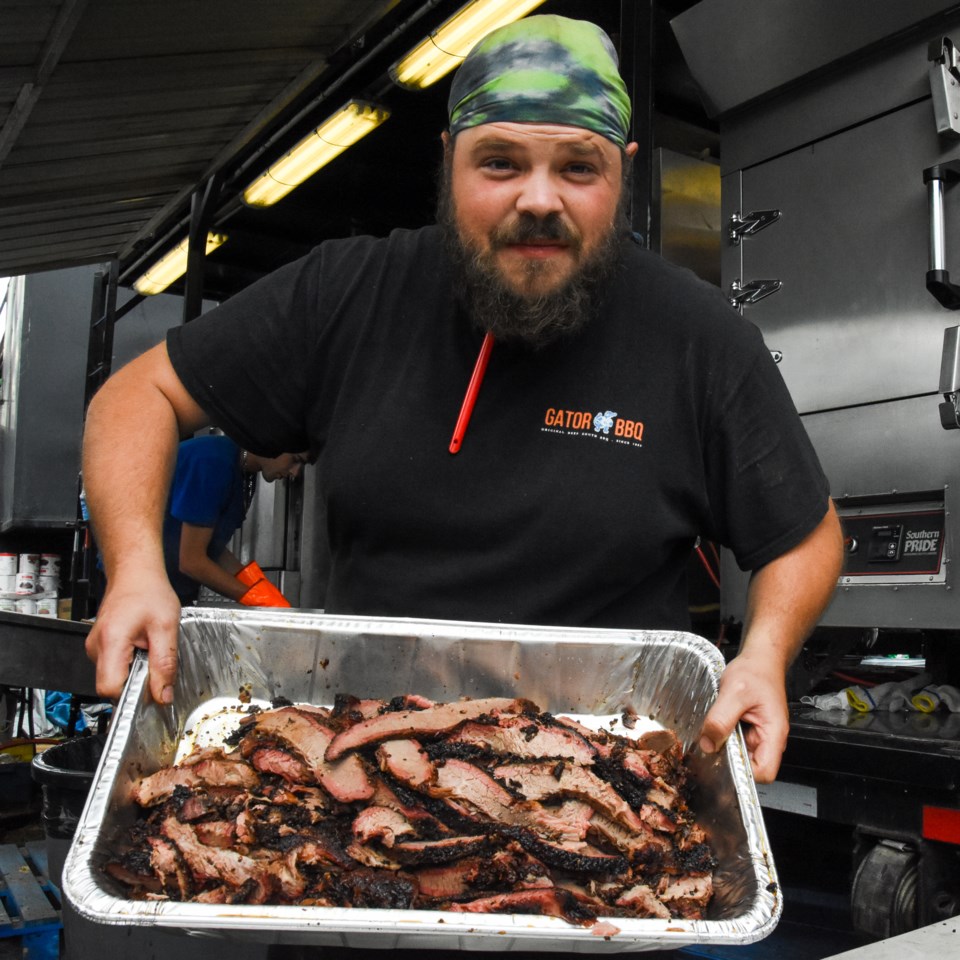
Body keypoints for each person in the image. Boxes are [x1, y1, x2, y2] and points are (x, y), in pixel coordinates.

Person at [81, 15, 843, 783]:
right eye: (501, 163)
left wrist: (764, 655)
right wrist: (138, 568)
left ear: (625, 171)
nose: (539, 199)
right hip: (367, 765)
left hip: (604, 772)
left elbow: (804, 536)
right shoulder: (346, 294)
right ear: (448, 160)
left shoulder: (699, 338)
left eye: (578, 168)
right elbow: (135, 395)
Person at [159, 433, 307, 606]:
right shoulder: (213, 461)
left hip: (171, 592)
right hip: (145, 586)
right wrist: (258, 600)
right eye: (295, 460)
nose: (295, 473)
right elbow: (191, 562)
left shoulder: (243, 473)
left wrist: (259, 585)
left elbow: (212, 547)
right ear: (273, 442)